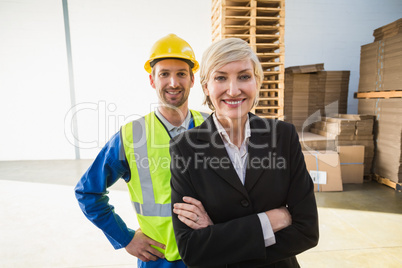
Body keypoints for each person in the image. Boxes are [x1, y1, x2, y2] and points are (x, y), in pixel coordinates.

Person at [170, 38, 319, 267]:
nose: (233, 89)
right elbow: (192, 249)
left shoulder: (283, 137)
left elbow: (307, 230)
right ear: (206, 87)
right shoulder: (185, 148)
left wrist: (217, 237)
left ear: (256, 82)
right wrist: (270, 221)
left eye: (244, 76)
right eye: (221, 77)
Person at [75, 33, 209, 268]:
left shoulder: (212, 128)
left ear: (192, 79)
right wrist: (125, 238)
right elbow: (88, 192)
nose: (174, 83)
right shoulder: (131, 136)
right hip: (159, 260)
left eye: (181, 74)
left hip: (212, 252)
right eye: (164, 74)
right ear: (152, 80)